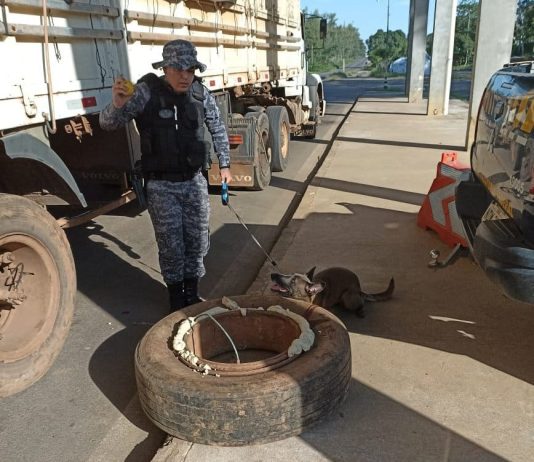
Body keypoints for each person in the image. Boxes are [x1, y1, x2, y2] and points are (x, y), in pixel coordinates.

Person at [99, 39, 232, 311]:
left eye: (190, 70)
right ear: (166, 68)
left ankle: (192, 294)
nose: (185, 76)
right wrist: (117, 104)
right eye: (178, 69)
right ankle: (176, 299)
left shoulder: (200, 93)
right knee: (171, 247)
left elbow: (217, 127)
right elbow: (107, 124)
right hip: (161, 186)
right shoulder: (145, 92)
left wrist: (225, 164)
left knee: (198, 243)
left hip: (194, 181)